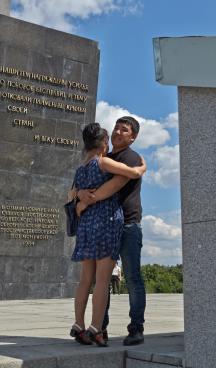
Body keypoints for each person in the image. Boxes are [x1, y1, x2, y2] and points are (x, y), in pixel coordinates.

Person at [69, 122, 146, 347]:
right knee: (103, 280)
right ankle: (97, 328)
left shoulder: (82, 167)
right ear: (103, 142)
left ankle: (80, 325)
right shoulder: (105, 160)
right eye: (115, 129)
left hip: (92, 224)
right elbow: (127, 176)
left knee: (87, 280)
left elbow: (73, 194)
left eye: (124, 130)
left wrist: (81, 200)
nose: (117, 133)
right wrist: (142, 169)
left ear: (133, 137)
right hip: (107, 221)